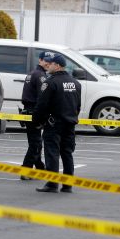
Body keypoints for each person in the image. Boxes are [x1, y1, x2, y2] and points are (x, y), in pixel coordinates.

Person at [33, 54, 81, 193]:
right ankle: (67, 185)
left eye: (51, 63)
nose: (48, 65)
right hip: (70, 124)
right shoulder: (75, 83)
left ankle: (52, 184)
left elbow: (41, 105)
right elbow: (77, 106)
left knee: (52, 153)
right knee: (67, 153)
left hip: (54, 124)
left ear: (58, 66)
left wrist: (37, 121)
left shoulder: (50, 83)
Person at [20, 51, 52, 180]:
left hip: (28, 110)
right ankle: (26, 170)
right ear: (40, 60)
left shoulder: (33, 73)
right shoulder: (40, 76)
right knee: (35, 144)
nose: (48, 63)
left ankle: (40, 168)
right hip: (34, 111)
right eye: (46, 61)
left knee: (36, 142)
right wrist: (43, 115)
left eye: (50, 61)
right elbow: (42, 98)